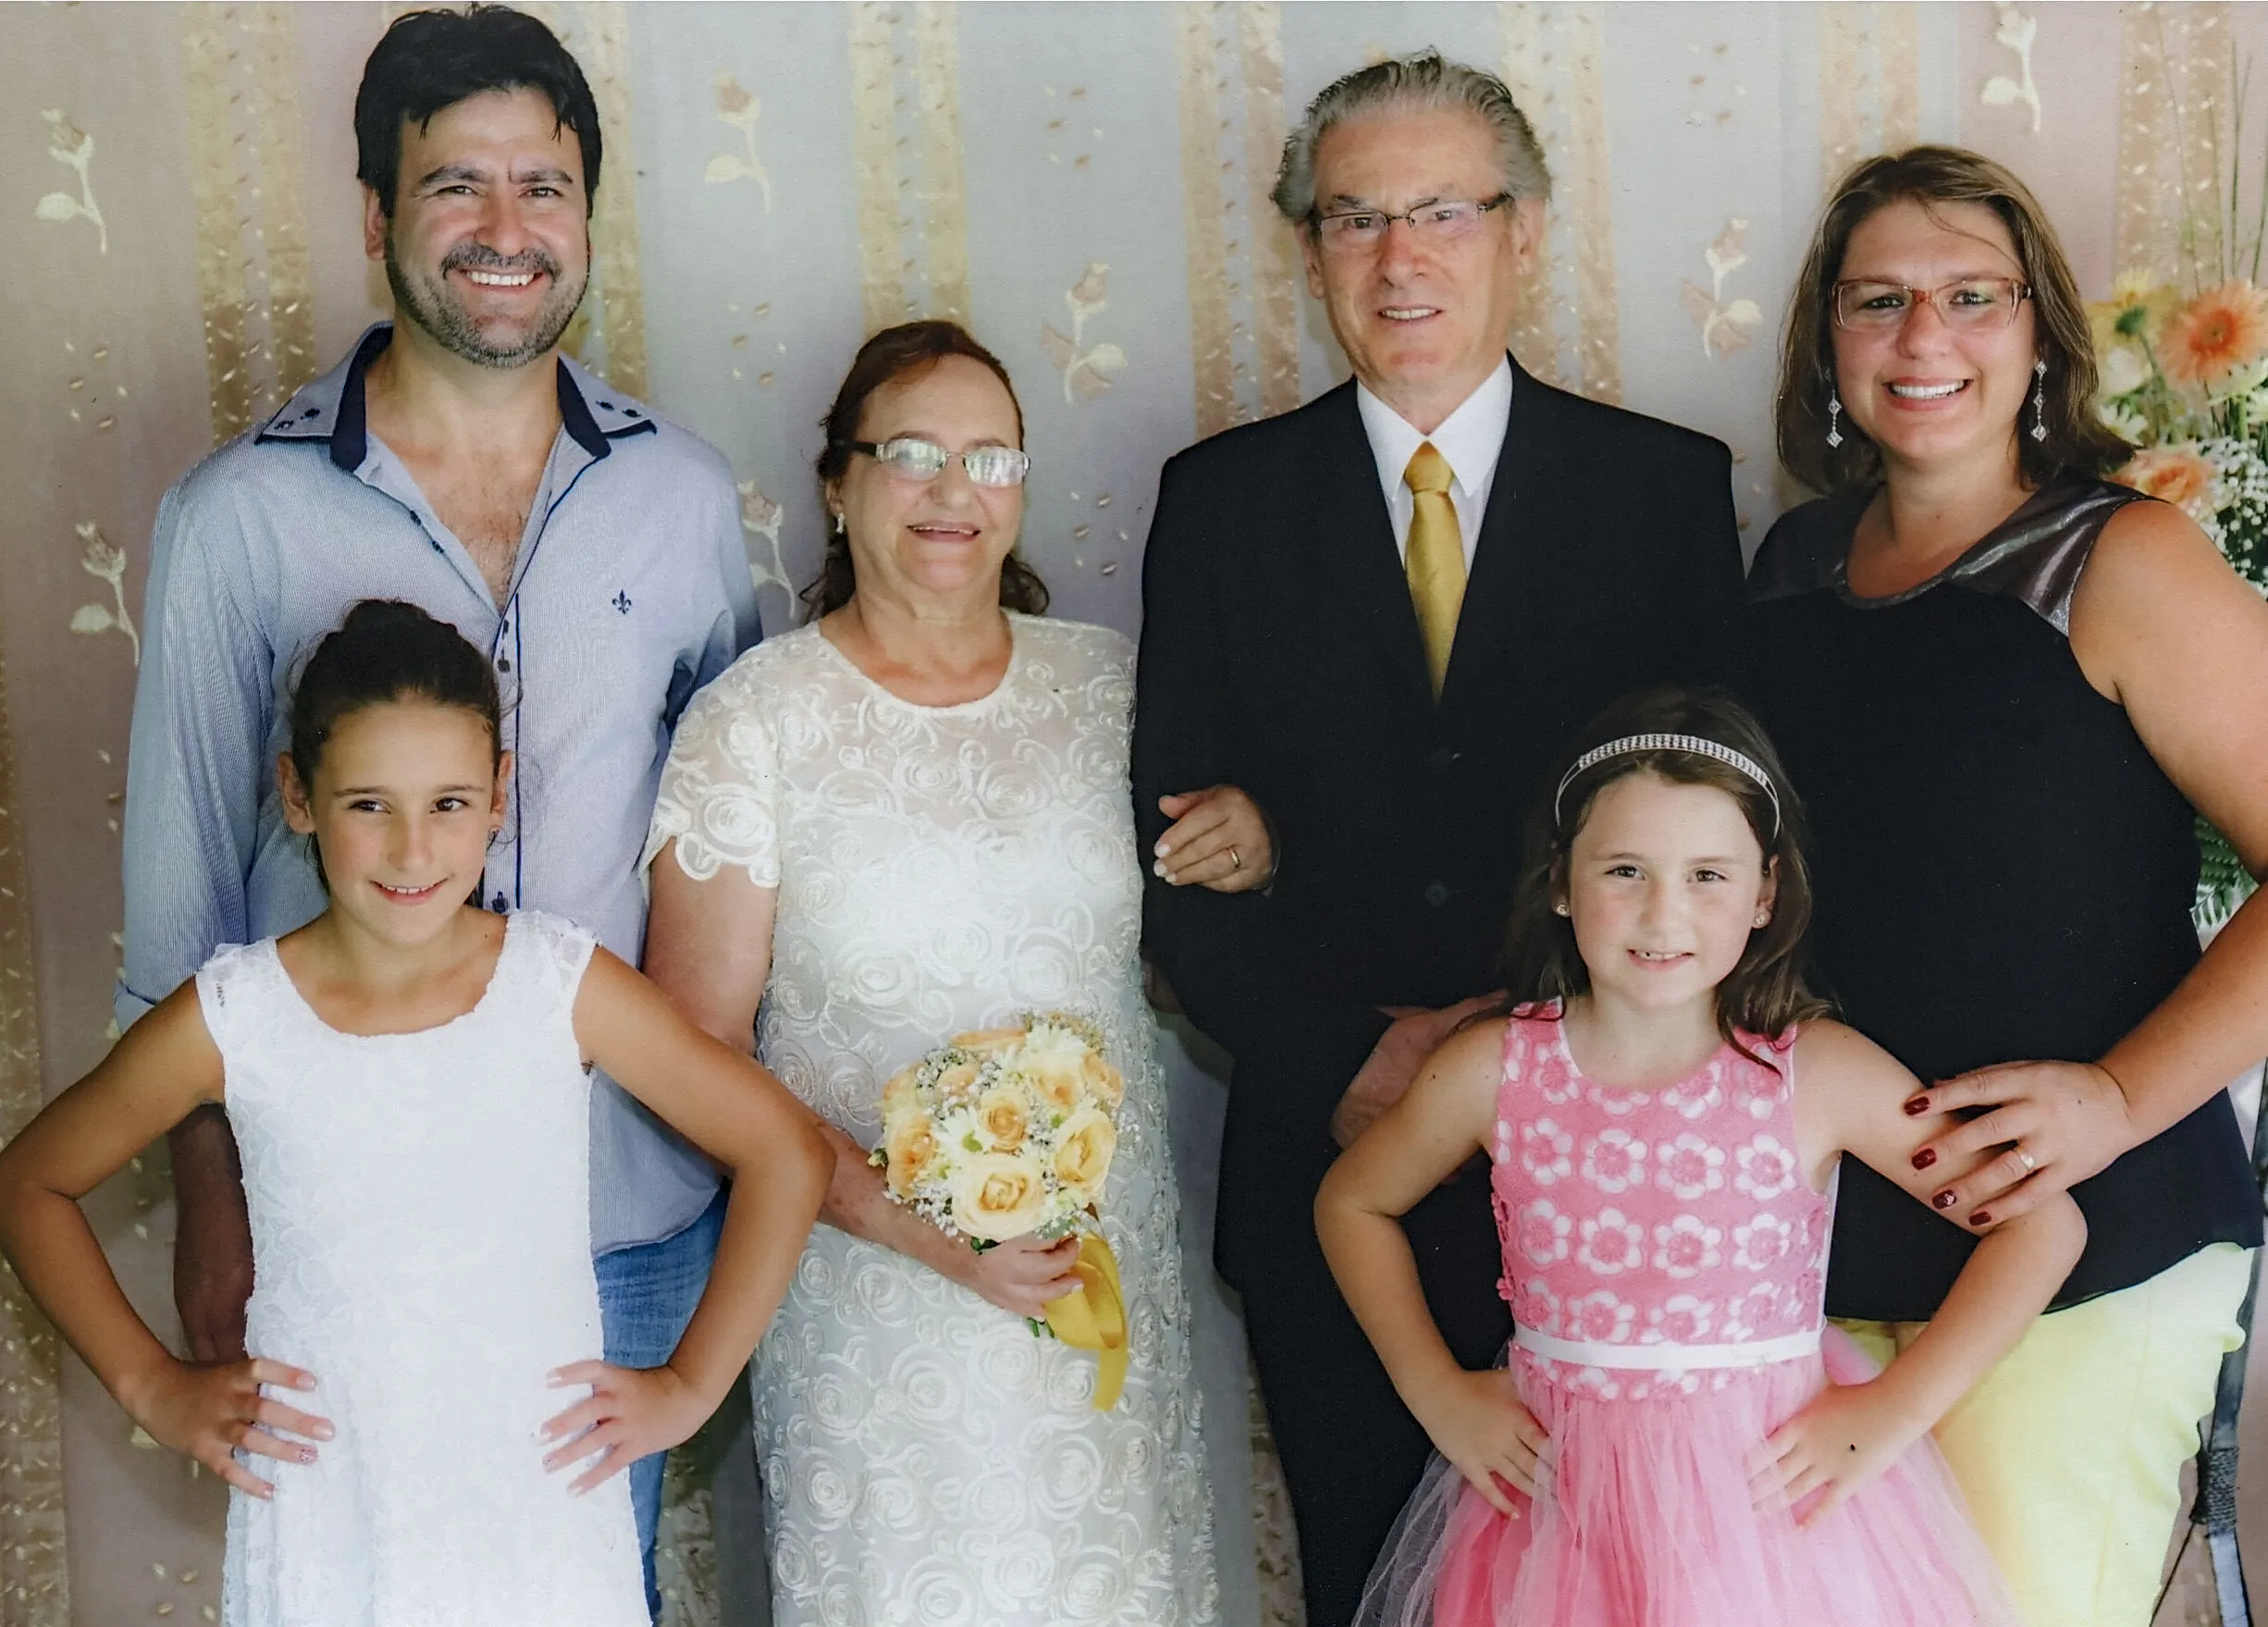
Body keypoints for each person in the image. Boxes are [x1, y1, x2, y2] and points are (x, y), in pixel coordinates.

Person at [117, 9, 758, 1607]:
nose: (501, 231)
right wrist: (216, 1215)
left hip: (629, 1211)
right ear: (376, 216)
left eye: (541, 187)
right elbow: (180, 906)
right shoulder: (236, 519)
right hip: (349, 1233)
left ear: (587, 221)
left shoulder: (684, 499)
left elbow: (740, 843)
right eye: (454, 185)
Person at [1131, 49, 1742, 1623]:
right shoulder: (1216, 502)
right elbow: (1175, 886)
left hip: (1610, 1175)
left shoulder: (1665, 491)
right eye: (1352, 220)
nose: (1398, 259)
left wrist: (1515, 1048)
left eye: (1441, 212)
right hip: (1327, 1174)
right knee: (1367, 1591)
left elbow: (1714, 846)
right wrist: (1356, 1055)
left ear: (1521, 228)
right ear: (1310, 247)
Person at [0, 602, 830, 1627]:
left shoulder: (557, 985)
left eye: (447, 802)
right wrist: (149, 1384)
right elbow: (29, 1182)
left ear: (497, 797)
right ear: (297, 797)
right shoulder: (232, 1017)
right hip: (329, 1505)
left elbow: (785, 1149)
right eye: (367, 804)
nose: (410, 848)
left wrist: (693, 1384)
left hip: (535, 1502)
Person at [1723, 146, 2268, 1625]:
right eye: (1879, 301)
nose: (1924, 339)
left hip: (2092, 1239)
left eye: (1973, 296)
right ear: (1828, 345)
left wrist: (2112, 1097)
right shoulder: (1787, 570)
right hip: (1821, 1250)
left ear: (2038, 333)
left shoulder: (2124, 560)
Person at [639, 320, 1238, 1625]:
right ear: (838, 485)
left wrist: (1254, 842)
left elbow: (1199, 953)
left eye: (989, 456)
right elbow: (696, 1056)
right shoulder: (759, 719)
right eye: (910, 454)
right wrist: (927, 1234)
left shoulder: (1117, 691)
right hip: (876, 1297)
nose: (953, 491)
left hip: (1099, 1289)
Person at [1317, 687, 2077, 1625]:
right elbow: (1352, 1201)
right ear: (1560, 881)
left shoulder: (1816, 1072)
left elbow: (2042, 1223)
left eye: (1707, 875)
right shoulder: (1493, 1068)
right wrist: (1434, 1388)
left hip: (1761, 1512)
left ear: (1765, 891)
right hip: (1559, 1516)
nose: (1661, 913)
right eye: (1624, 869)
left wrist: (1891, 1412)